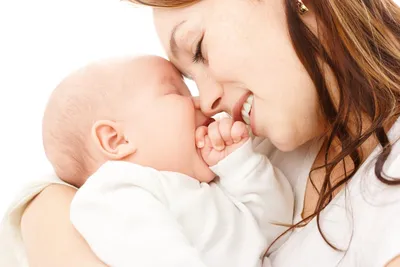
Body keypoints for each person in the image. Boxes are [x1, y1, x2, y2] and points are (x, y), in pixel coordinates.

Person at [1, 0, 400, 266]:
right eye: (185, 82)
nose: (206, 101)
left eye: (200, 50)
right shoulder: (256, 143)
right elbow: (49, 196)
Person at [41, 55, 293, 267]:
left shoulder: (210, 185)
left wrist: (240, 166)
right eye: (175, 92)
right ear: (117, 140)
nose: (202, 104)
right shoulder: (112, 192)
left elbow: (277, 229)